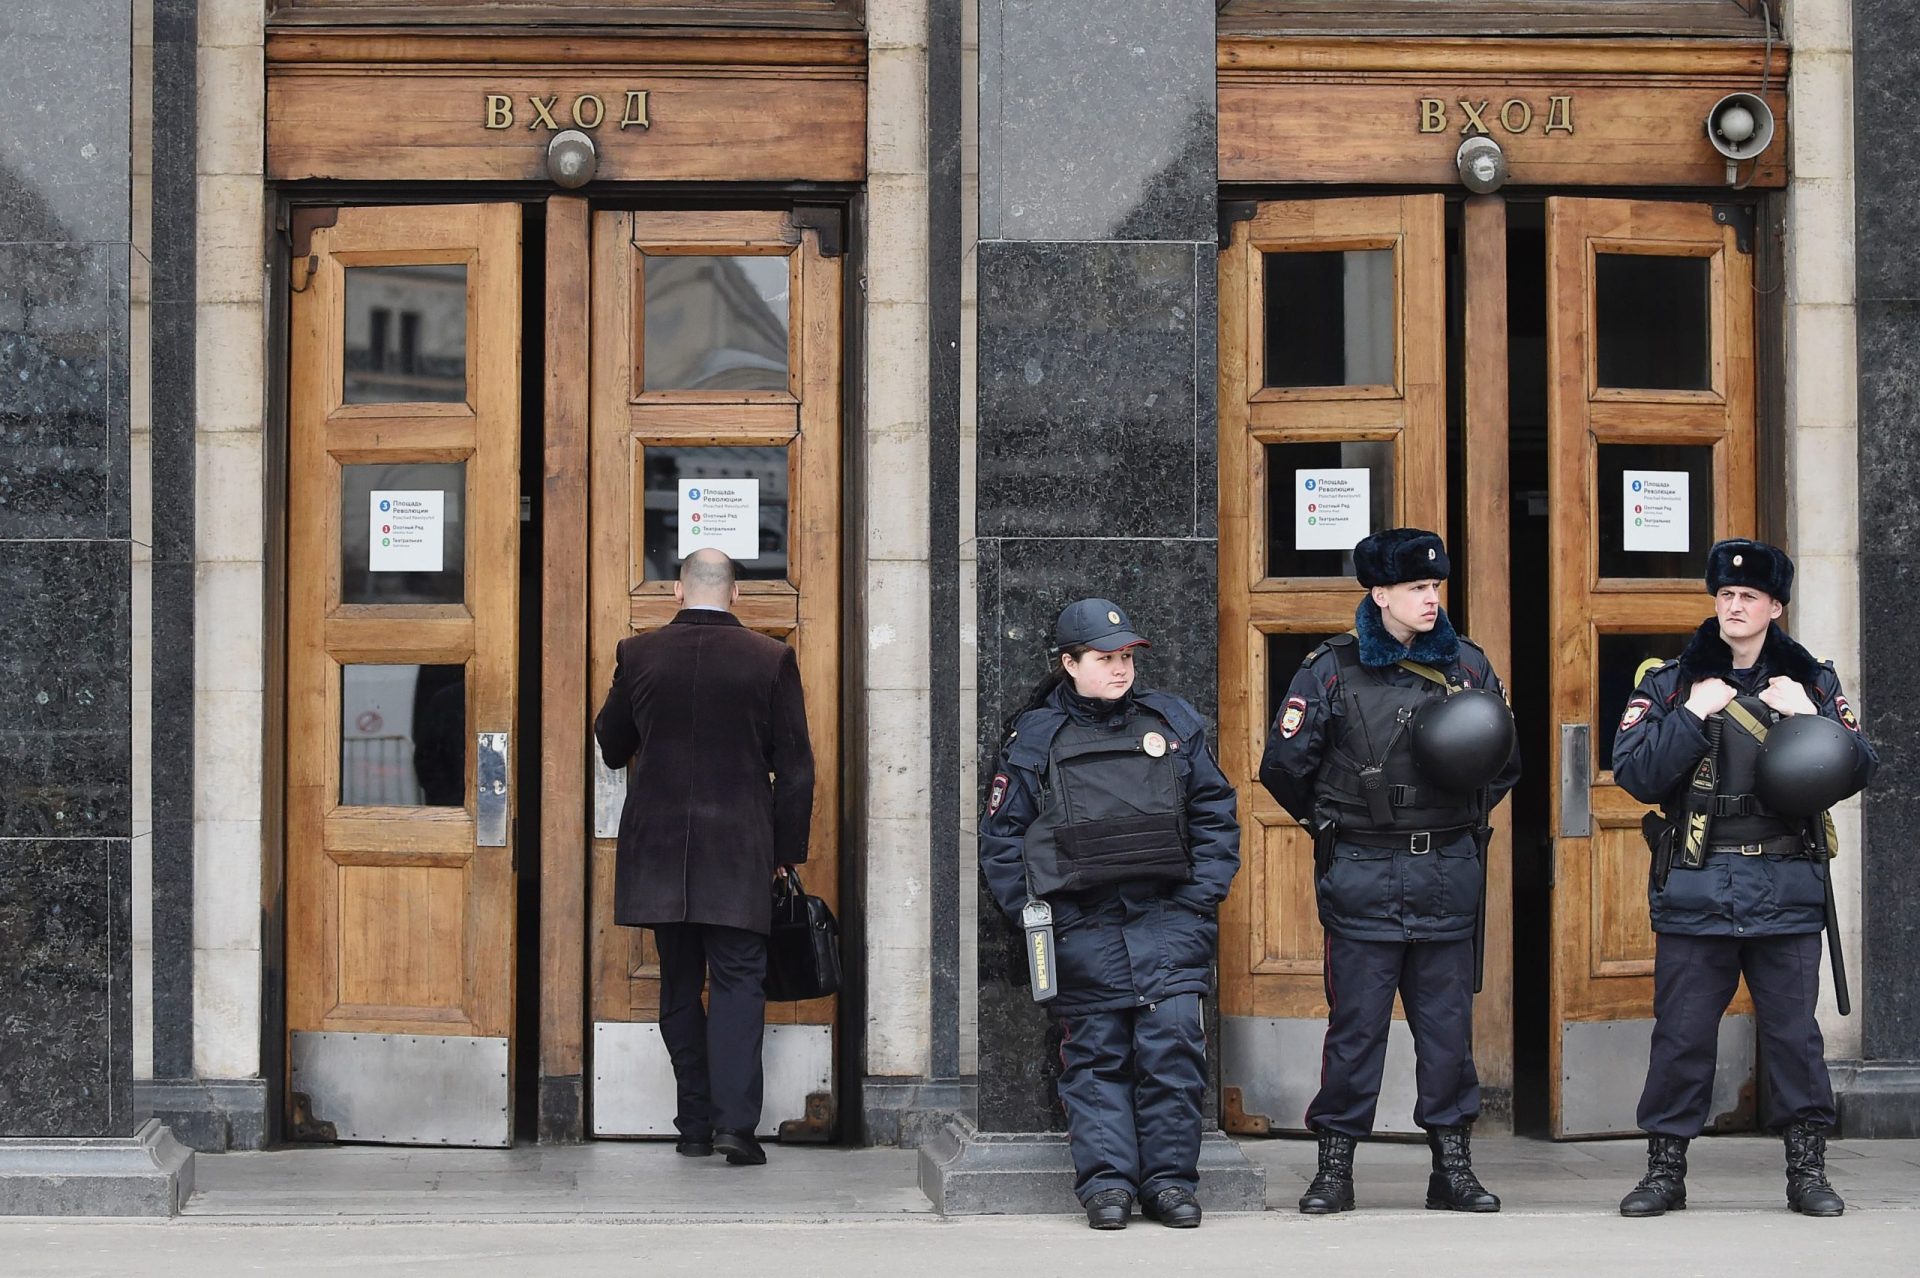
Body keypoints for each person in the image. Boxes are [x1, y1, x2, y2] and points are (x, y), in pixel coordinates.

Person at [1611, 538, 1877, 1218]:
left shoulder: (1812, 681)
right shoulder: (1670, 683)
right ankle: (1665, 1170)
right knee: (1682, 1036)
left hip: (1785, 884)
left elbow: (1861, 767)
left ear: (1774, 608)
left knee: (1794, 1037)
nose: (1734, 606)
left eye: (1749, 597)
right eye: (1726, 595)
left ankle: (1807, 1170)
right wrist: (1694, 712)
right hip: (1698, 883)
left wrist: (1811, 718)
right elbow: (1638, 775)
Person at [1259, 528, 1520, 1215]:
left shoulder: (1468, 667)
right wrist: (1337, 822)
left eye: (1435, 586)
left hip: (1446, 872)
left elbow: (1505, 761)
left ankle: (1453, 1168)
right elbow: (1283, 768)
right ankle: (1335, 1168)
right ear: (1379, 594)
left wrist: (1449, 813)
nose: (1430, 598)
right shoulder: (1332, 669)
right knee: (1356, 1031)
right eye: (1415, 588)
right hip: (1363, 873)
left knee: (1447, 1032)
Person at [979, 598, 1240, 1231]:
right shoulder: (1035, 739)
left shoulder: (1171, 723)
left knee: (1174, 1052)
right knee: (1095, 1059)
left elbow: (1214, 813)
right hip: (1083, 925)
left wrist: (1199, 899)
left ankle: (1171, 1184)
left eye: (1125, 657)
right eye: (1103, 658)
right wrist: (1041, 918)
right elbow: (1002, 841)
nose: (1119, 669)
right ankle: (1107, 1187)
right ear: (1069, 663)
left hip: (1166, 920)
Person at [593, 548, 815, 1166]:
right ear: (736, 594)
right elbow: (796, 767)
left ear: (675, 591)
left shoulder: (637, 655)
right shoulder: (770, 658)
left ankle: (692, 1124)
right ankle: (735, 1129)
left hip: (660, 850)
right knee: (741, 983)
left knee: (679, 985)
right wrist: (785, 851)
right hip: (741, 849)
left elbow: (611, 744)